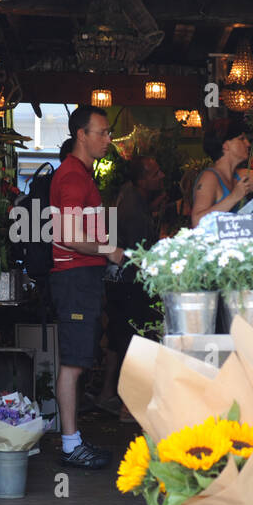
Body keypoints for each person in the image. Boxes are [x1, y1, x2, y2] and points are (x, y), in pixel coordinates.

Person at [50, 105, 123, 469]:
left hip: (81, 277)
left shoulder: (79, 174)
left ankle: (72, 439)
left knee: (78, 361)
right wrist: (111, 251)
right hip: (75, 278)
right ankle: (68, 443)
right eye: (103, 132)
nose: (108, 139)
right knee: (74, 364)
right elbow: (68, 236)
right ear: (82, 134)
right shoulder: (73, 177)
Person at [97, 155, 164, 418]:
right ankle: (128, 404)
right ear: (143, 180)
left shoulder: (130, 197)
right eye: (155, 172)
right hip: (130, 281)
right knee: (134, 340)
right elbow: (138, 252)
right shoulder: (134, 209)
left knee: (119, 337)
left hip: (118, 281)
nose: (161, 176)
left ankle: (108, 394)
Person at [190, 113, 253, 227]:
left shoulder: (241, 175)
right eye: (241, 139)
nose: (248, 144)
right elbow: (197, 221)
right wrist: (234, 197)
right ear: (226, 145)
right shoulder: (210, 177)